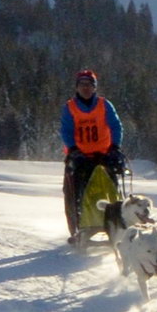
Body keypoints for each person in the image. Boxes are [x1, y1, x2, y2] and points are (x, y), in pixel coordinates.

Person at [60, 67, 127, 248]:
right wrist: (74, 150)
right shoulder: (70, 107)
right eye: (82, 84)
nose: (86, 88)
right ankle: (77, 230)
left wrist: (115, 147)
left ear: (95, 87)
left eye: (89, 84)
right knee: (74, 193)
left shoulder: (105, 105)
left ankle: (117, 226)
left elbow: (115, 126)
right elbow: (66, 131)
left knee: (112, 192)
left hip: (104, 155)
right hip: (80, 157)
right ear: (77, 87)